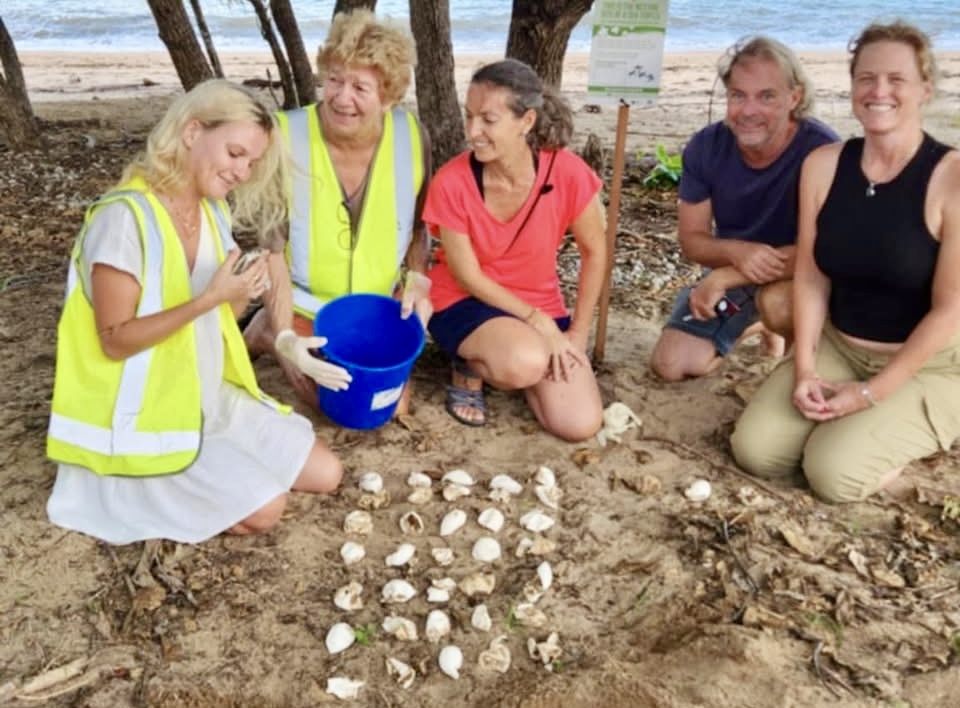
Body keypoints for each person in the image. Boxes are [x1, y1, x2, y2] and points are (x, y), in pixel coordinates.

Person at [45, 79, 343, 544]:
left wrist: (251, 298)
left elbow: (224, 314)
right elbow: (115, 340)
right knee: (267, 509)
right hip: (137, 413)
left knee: (327, 473)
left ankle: (219, 472)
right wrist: (208, 299)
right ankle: (137, 486)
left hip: (200, 392)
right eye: (235, 153)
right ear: (191, 132)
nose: (242, 171)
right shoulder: (123, 219)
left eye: (251, 162)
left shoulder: (212, 212)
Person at [731, 21, 960, 503]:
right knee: (757, 452)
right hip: (841, 344)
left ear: (925, 89)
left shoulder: (950, 178)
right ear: (852, 86)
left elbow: (950, 310)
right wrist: (805, 369)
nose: (879, 91)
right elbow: (811, 276)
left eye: (896, 79)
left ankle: (913, 422)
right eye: (866, 78)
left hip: (928, 363)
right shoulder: (823, 165)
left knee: (832, 475)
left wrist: (872, 393)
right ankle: (856, 421)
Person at [242, 9, 431, 414]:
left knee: (389, 406)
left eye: (360, 87)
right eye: (334, 80)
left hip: (374, 310)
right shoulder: (282, 138)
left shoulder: (413, 136)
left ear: (389, 97)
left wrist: (418, 277)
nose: (342, 98)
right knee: (334, 402)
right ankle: (267, 330)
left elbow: (418, 228)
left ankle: (268, 332)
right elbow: (271, 252)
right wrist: (286, 338)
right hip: (304, 305)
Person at [424, 58, 606, 440]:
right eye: (469, 116)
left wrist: (577, 332)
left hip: (538, 303)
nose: (472, 131)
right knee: (524, 361)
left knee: (579, 424)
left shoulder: (567, 172)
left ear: (527, 121)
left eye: (488, 120)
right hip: (464, 299)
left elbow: (595, 252)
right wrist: (538, 323)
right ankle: (469, 364)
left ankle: (524, 363)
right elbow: (466, 275)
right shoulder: (451, 181)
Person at [650, 36, 840, 381]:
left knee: (778, 304)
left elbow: (827, 251)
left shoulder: (822, 151)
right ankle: (755, 324)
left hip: (804, 275)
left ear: (794, 98)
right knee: (671, 365)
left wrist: (726, 276)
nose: (749, 111)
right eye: (738, 95)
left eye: (766, 96)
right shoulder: (706, 146)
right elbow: (692, 239)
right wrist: (736, 252)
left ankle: (788, 341)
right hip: (739, 267)